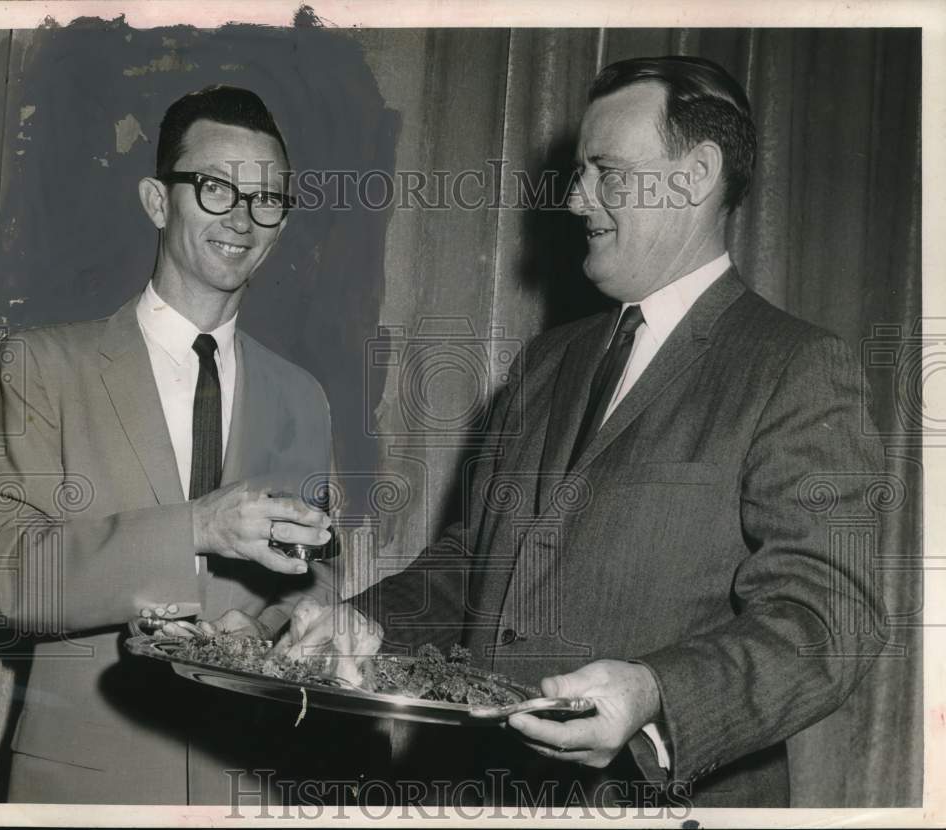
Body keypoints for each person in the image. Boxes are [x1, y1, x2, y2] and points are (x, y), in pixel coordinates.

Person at [276, 56, 889, 808]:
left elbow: (828, 621)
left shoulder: (796, 369)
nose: (574, 199)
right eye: (576, 172)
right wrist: (362, 619)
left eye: (604, 170)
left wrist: (656, 693)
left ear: (696, 176)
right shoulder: (547, 361)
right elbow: (474, 565)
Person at [0, 85, 340, 804]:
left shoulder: (302, 395)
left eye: (267, 198)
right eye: (213, 187)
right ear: (157, 201)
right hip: (87, 790)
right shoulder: (37, 366)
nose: (242, 217)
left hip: (254, 785)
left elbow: (317, 564)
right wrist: (196, 528)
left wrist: (275, 624)